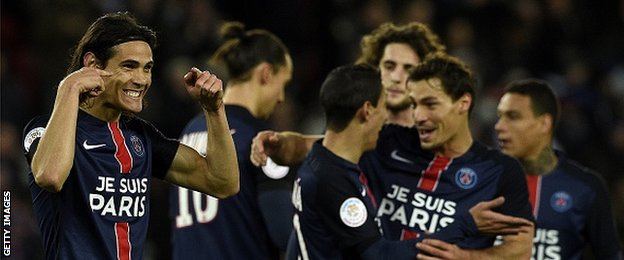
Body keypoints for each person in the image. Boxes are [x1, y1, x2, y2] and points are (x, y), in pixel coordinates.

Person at [252, 54, 535, 259]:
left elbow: (520, 249)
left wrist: (465, 258)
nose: (419, 116)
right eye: (414, 104)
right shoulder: (389, 141)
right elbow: (322, 146)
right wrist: (280, 143)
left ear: (463, 102)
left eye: (430, 104)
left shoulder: (501, 171)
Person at [21, 12, 239, 259]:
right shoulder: (44, 129)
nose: (141, 80)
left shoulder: (141, 139)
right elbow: (50, 176)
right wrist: (70, 87)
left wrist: (214, 110)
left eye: (147, 68)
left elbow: (223, 183)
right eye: (129, 66)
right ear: (92, 64)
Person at [416, 79, 624, 259]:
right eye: (500, 116)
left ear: (544, 123)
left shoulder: (585, 188)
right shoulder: (475, 181)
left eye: (513, 117)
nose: (499, 126)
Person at [169, 21, 295, 259]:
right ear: (267, 73)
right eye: (283, 84)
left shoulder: (190, 131)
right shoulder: (261, 139)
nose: (281, 98)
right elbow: (283, 232)